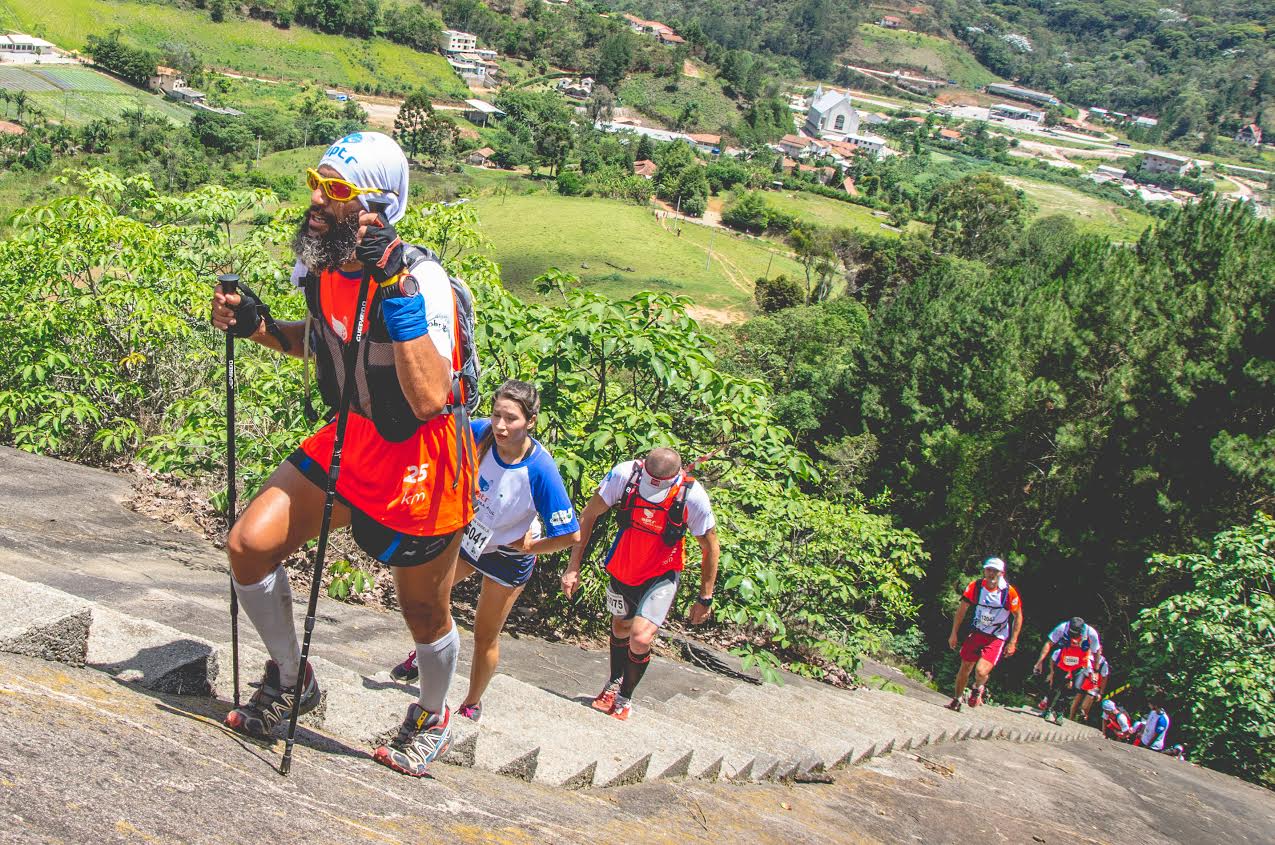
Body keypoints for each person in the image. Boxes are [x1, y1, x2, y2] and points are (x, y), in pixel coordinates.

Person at [210, 131, 475, 778]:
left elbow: (429, 393)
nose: (316, 201)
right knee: (248, 544)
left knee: (422, 609)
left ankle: (433, 711)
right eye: (315, 183)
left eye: (334, 190)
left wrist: (398, 290)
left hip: (423, 457)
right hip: (353, 435)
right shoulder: (323, 268)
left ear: (377, 206)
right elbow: (329, 345)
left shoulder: (424, 280)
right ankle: (294, 679)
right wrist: (259, 327)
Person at [388, 380, 581, 721]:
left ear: (531, 422)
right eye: (496, 415)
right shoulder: (480, 434)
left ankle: (472, 701)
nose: (501, 426)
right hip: (471, 540)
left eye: (511, 419)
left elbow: (570, 535)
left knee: (484, 633)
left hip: (508, 558)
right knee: (431, 598)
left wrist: (530, 546)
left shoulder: (541, 469)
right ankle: (426, 656)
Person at [561, 448, 720, 721]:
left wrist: (705, 596)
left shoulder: (692, 496)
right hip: (624, 565)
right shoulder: (625, 476)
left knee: (641, 637)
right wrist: (573, 566)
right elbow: (589, 515)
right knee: (621, 626)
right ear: (643, 467)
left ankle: (625, 696)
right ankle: (613, 683)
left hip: (662, 573)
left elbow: (710, 547)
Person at [945, 557, 1023, 712]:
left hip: (996, 636)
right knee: (965, 666)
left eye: (995, 571)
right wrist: (954, 633)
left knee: (981, 671)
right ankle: (957, 699)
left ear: (1002, 573)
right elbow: (962, 609)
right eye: (989, 570)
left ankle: (978, 687)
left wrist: (1013, 641)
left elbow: (1018, 616)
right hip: (978, 631)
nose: (991, 573)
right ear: (985, 571)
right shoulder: (976, 586)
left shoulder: (1008, 592)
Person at [1070, 652, 1110, 721]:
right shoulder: (1087, 656)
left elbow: (1105, 678)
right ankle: (1071, 718)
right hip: (1084, 681)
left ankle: (1082, 720)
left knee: (1085, 707)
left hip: (1094, 685)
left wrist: (1101, 692)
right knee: (1076, 701)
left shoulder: (1104, 663)